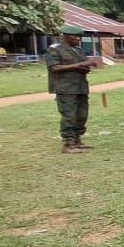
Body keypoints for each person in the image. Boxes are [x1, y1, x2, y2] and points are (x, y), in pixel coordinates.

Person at [45, 24, 96, 153]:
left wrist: (85, 66)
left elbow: (86, 67)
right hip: (65, 88)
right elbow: (55, 68)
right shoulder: (55, 49)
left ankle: (77, 140)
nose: (78, 39)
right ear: (66, 36)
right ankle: (68, 144)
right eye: (75, 37)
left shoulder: (78, 50)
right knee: (69, 115)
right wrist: (81, 64)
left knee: (82, 114)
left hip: (80, 86)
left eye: (79, 37)